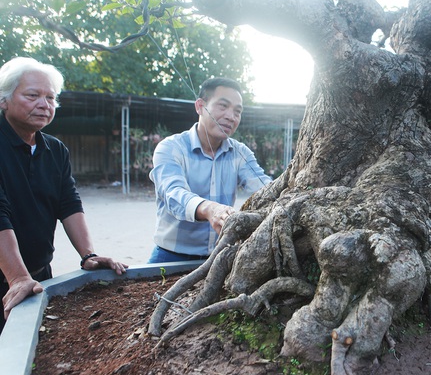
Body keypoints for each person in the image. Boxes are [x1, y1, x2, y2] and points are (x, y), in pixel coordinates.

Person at [0, 57, 128, 332]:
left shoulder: (55, 150)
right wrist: (17, 278)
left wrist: (87, 255)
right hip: (13, 276)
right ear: (4, 100)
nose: (44, 105)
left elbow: (68, 202)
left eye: (50, 98)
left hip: (35, 274)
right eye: (32, 95)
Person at [148, 77, 272, 263]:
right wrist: (209, 209)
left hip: (220, 257)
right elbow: (173, 192)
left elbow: (264, 187)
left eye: (237, 111)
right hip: (170, 255)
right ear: (200, 106)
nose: (231, 116)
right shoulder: (171, 148)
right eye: (223, 106)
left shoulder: (240, 152)